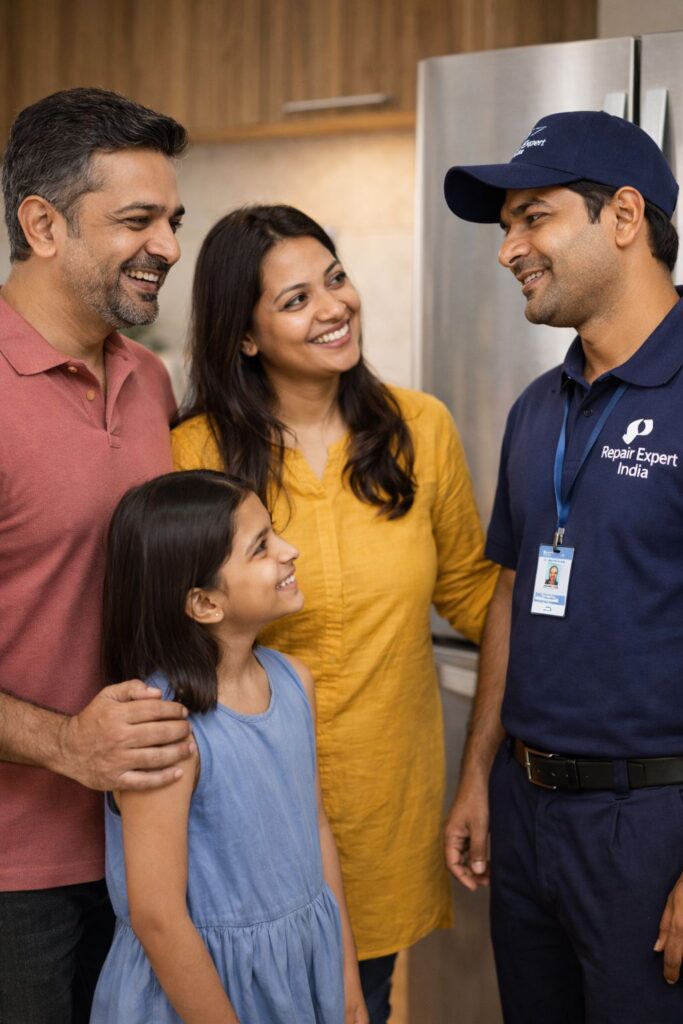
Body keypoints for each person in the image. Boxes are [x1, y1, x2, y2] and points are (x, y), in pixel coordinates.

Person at [171, 204, 499, 1023]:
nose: (333, 307)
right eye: (294, 299)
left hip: (386, 809)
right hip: (243, 824)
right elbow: (166, 640)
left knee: (367, 1001)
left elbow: (474, 595)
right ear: (243, 336)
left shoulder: (419, 429)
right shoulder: (194, 454)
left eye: (337, 279)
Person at [442, 109, 683, 1023]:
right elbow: (511, 587)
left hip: (651, 824)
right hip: (527, 815)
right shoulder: (537, 406)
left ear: (623, 217)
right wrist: (477, 776)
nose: (509, 249)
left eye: (530, 217)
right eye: (505, 227)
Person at [0, 87, 195, 1023]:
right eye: (136, 219)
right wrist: (66, 743)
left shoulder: (148, 376)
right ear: (43, 223)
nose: (166, 244)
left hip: (142, 852)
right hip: (13, 880)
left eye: (172, 219)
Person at [90, 469, 368, 1024]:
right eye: (261, 547)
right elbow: (158, 916)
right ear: (204, 604)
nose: (289, 551)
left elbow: (315, 830)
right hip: (199, 996)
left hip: (300, 973)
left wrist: (349, 988)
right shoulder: (163, 725)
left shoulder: (294, 682)